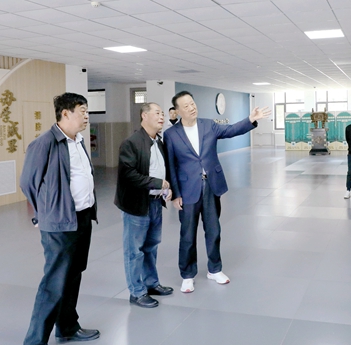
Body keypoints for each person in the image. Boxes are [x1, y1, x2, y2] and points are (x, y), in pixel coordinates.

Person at [19, 93, 100, 345]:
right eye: (82, 111)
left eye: (87, 111)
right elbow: (28, 183)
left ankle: (67, 327)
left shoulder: (78, 141)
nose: (86, 116)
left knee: (74, 274)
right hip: (59, 223)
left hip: (82, 218)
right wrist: (44, 214)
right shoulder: (44, 143)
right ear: (65, 113)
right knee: (53, 282)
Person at [165, 91, 270, 293]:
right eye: (186, 106)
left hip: (211, 186)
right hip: (187, 190)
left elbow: (231, 130)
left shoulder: (208, 125)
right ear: (177, 111)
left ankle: (215, 269)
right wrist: (175, 194)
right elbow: (171, 165)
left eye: (192, 103)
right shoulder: (171, 134)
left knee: (213, 231)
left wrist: (250, 119)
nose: (192, 107)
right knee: (187, 235)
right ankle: (187, 275)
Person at [115, 102, 174, 309]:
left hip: (156, 203)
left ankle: (151, 283)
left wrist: (167, 188)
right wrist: (157, 183)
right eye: (157, 113)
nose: (162, 117)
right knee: (135, 251)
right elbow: (128, 174)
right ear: (144, 116)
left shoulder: (159, 142)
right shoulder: (131, 143)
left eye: (163, 114)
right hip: (136, 204)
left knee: (151, 246)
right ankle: (137, 292)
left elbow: (162, 169)